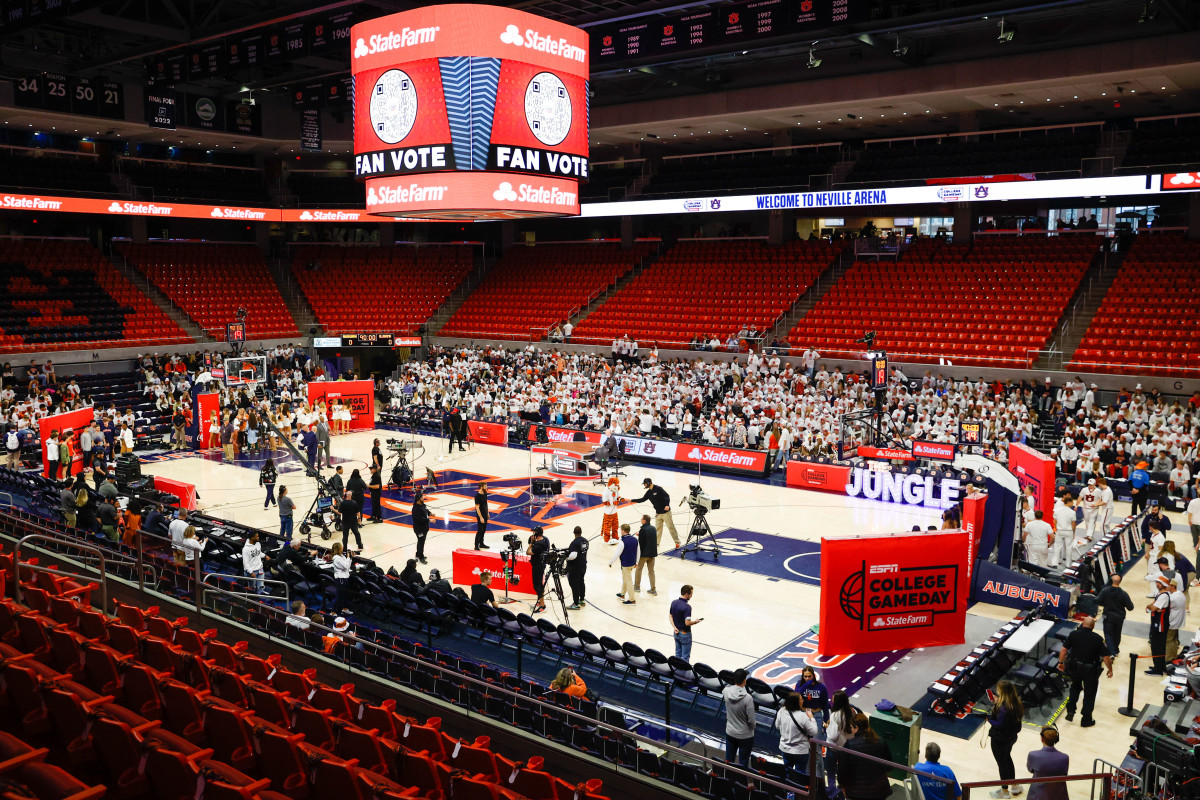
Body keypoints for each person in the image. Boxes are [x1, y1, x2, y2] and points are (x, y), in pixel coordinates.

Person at [1057, 616, 1112, 726]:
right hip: (1090, 670)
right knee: (1089, 694)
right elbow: (1106, 657)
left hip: (1075, 668)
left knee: (1075, 688)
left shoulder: (1074, 634)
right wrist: (1110, 670)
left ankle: (1071, 711)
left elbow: (1064, 650)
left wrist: (1061, 663)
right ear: (1093, 626)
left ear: (1082, 624)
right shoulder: (1097, 638)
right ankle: (1086, 719)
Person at [837, 712, 892, 800]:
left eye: (851, 727)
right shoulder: (881, 742)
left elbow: (842, 770)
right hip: (880, 791)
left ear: (856, 727)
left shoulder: (850, 745)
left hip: (857, 793)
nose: (851, 730)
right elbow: (889, 766)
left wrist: (843, 786)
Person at [987, 680, 1024, 798]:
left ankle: (1005, 792)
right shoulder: (1016, 702)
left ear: (1002, 692)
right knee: (1007, 759)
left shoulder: (1003, 708)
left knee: (1002, 764)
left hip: (1000, 740)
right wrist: (996, 702)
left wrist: (989, 719)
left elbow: (999, 725)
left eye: (998, 690)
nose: (996, 692)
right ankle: (1014, 786)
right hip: (1011, 738)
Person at [775, 692, 819, 783]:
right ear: (796, 703)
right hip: (800, 752)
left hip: (785, 749)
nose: (803, 700)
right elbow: (814, 731)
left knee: (787, 773)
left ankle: (788, 793)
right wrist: (812, 718)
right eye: (801, 699)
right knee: (799, 776)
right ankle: (797, 794)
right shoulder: (803, 717)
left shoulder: (782, 711)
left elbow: (777, 726)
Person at [631, 477, 680, 550]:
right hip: (658, 513)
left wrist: (667, 505)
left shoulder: (658, 488)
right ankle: (657, 543)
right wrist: (632, 500)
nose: (644, 485)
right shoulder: (648, 492)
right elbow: (642, 499)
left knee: (671, 528)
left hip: (666, 513)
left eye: (644, 484)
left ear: (648, 483)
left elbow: (666, 496)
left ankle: (677, 542)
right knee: (657, 529)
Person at [723, 668, 756, 766]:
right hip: (745, 735)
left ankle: (728, 779)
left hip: (730, 732)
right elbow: (751, 720)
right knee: (743, 763)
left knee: (728, 761)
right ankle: (741, 781)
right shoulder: (748, 698)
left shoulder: (726, 691)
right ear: (745, 680)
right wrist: (753, 728)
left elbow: (730, 689)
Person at [826, 690, 855, 797]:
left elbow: (833, 736)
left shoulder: (835, 715)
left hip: (834, 749)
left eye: (833, 699)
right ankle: (842, 794)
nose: (832, 700)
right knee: (843, 774)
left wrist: (827, 728)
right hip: (845, 749)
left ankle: (832, 794)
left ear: (837, 701)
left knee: (831, 773)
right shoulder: (850, 712)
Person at [1025, 727, 1069, 800]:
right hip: (1059, 795)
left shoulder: (1033, 755)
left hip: (1038, 795)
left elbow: (1030, 770)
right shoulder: (1065, 757)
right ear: (1056, 739)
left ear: (1042, 739)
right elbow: (1064, 773)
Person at [1096, 573, 1134, 655]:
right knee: (1117, 634)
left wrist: (1105, 603)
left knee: (1108, 634)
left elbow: (1097, 600)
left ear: (1110, 581)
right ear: (1120, 582)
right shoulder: (1124, 594)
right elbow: (1130, 607)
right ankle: (1115, 650)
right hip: (1119, 617)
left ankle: (1111, 652)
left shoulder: (1105, 591)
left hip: (1108, 616)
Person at [670, 584, 701, 661]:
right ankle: (683, 673)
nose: (691, 596)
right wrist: (695, 622)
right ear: (687, 594)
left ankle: (676, 670)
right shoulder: (687, 607)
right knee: (685, 658)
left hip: (676, 632)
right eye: (691, 594)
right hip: (685, 634)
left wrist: (674, 627)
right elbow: (687, 623)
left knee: (678, 655)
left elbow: (670, 616)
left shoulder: (674, 602)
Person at [609, 523, 639, 604]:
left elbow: (617, 553)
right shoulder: (635, 539)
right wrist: (637, 562)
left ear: (622, 531)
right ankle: (622, 594)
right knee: (626, 578)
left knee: (628, 580)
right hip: (632, 563)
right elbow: (638, 552)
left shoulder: (622, 542)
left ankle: (632, 600)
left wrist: (610, 562)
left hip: (626, 564)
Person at [634, 513, 658, 595]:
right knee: (651, 571)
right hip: (652, 554)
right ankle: (653, 589)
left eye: (641, 519)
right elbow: (652, 539)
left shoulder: (643, 530)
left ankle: (637, 587)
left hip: (644, 554)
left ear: (644, 521)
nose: (640, 520)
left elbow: (641, 543)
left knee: (638, 570)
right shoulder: (653, 528)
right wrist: (640, 534)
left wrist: (637, 555)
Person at [527, 526, 549, 614]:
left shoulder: (537, 545)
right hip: (541, 564)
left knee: (536, 586)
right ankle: (540, 601)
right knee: (540, 584)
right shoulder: (545, 540)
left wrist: (531, 543)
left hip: (537, 566)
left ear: (536, 534)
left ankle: (542, 606)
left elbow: (528, 552)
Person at [566, 525, 588, 609]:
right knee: (581, 582)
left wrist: (566, 558)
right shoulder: (585, 541)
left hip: (575, 567)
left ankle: (576, 603)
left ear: (574, 533)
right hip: (583, 565)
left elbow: (573, 556)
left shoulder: (574, 543)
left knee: (574, 584)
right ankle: (582, 599)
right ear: (581, 532)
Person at [329, 543, 352, 612]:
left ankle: (344, 609)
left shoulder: (341, 556)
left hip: (345, 578)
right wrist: (348, 558)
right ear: (339, 549)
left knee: (345, 595)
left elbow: (347, 565)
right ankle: (333, 612)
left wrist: (350, 557)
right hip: (340, 579)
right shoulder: (337, 559)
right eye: (342, 547)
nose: (343, 548)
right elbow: (346, 566)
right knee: (339, 597)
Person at [411, 489, 430, 564]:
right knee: (421, 542)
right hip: (419, 529)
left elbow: (426, 510)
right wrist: (429, 520)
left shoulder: (422, 505)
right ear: (418, 500)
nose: (423, 499)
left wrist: (430, 513)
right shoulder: (415, 509)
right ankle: (420, 557)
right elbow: (420, 519)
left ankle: (418, 554)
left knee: (421, 541)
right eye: (422, 498)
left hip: (424, 528)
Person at [600, 476, 620, 544]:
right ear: (612, 484)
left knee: (615, 525)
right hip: (608, 512)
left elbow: (618, 497)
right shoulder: (606, 491)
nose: (617, 485)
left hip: (615, 511)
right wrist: (612, 503)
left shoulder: (616, 489)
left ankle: (615, 536)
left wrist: (620, 499)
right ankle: (607, 538)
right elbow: (604, 502)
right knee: (607, 527)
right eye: (616, 484)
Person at [474, 482, 489, 549]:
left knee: (484, 530)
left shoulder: (485, 494)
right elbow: (477, 508)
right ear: (481, 487)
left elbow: (486, 504)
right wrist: (481, 517)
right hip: (481, 516)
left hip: (485, 514)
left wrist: (487, 512)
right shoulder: (477, 496)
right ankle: (476, 545)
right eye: (485, 486)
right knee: (480, 530)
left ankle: (481, 543)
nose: (486, 487)